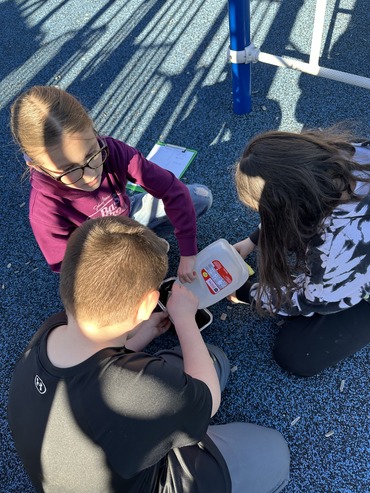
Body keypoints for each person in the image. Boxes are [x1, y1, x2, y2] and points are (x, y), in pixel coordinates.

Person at [8, 216, 290, 493]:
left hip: (72, 465)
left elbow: (89, 368)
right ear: (148, 306)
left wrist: (143, 336)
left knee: (212, 361)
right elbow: (209, 399)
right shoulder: (143, 387)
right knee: (274, 452)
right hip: (141, 481)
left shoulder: (50, 330)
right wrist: (184, 320)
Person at [10, 85, 213, 282]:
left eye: (92, 154)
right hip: (99, 253)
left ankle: (145, 245)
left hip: (128, 217)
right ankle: (144, 249)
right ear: (36, 166)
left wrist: (188, 253)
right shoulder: (45, 209)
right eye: (69, 169)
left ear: (93, 130)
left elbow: (171, 189)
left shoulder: (113, 150)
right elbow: (67, 267)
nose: (90, 176)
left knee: (199, 197)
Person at [231, 128, 370, 377]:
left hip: (357, 278)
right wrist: (253, 239)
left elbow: (311, 300)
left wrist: (246, 292)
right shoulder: (348, 154)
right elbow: (296, 203)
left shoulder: (337, 244)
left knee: (295, 355)